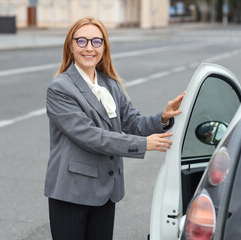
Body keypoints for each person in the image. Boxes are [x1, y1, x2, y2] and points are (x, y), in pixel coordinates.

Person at [44, 17, 184, 240]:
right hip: (72, 192)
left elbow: (133, 122)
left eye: (96, 42)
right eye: (81, 41)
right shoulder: (60, 88)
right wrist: (142, 145)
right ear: (70, 46)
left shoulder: (110, 84)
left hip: (106, 191)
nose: (89, 48)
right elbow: (90, 136)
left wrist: (163, 118)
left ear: (104, 46)